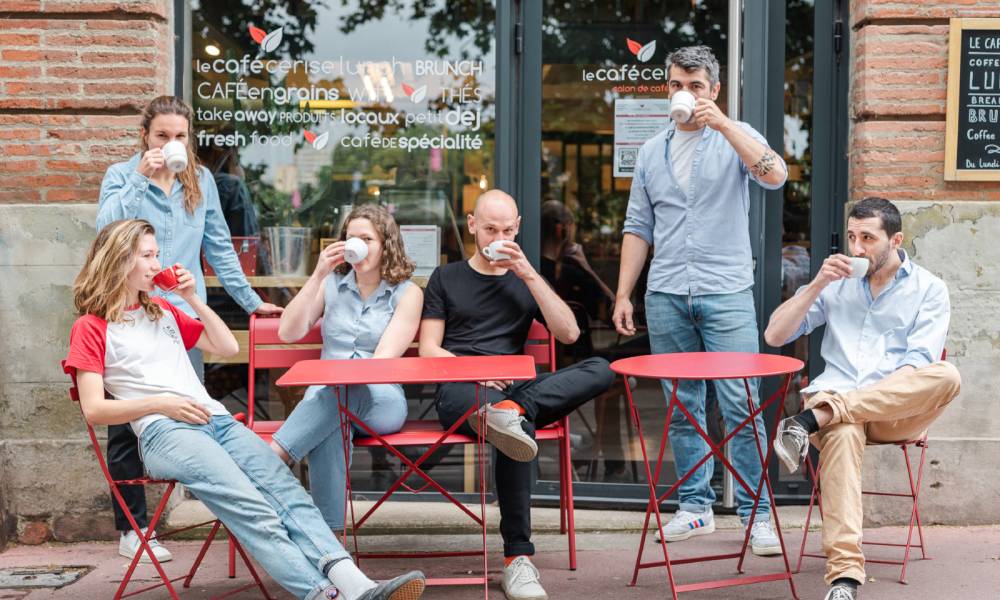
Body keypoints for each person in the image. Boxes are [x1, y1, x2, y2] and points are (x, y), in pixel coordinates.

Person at [64, 219, 425, 600]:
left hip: (216, 420)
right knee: (250, 504)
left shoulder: (162, 312)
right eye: (147, 256)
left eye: (157, 255)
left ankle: (357, 585)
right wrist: (162, 403)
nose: (156, 264)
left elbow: (226, 348)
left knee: (287, 490)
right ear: (119, 259)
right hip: (164, 431)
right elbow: (94, 409)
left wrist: (192, 298)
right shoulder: (92, 327)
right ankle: (323, 595)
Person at [612, 45, 788, 555]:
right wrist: (625, 292)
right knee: (681, 404)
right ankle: (694, 507)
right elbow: (637, 227)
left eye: (694, 85)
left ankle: (757, 515)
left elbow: (775, 176)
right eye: (674, 85)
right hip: (666, 292)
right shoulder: (651, 151)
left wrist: (725, 125)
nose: (682, 94)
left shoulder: (737, 136)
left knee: (741, 402)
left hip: (726, 290)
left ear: (712, 89)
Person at [97, 95, 283, 563]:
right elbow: (104, 233)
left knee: (190, 416)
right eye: (162, 135)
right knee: (127, 424)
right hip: (127, 314)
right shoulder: (123, 176)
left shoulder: (199, 181)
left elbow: (220, 248)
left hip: (181, 319)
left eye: (180, 136)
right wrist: (142, 180)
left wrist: (253, 301)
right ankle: (135, 529)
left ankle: (223, 506)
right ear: (145, 136)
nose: (171, 144)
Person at [419, 190, 615, 600]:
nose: (499, 237)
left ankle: (509, 412)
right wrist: (475, 370)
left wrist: (528, 274)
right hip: (461, 389)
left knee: (600, 369)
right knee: (514, 430)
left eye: (508, 229)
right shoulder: (446, 277)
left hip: (512, 390)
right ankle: (518, 561)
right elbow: (429, 349)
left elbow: (570, 333)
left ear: (519, 227)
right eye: (491, 228)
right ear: (472, 224)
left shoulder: (528, 276)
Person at [764, 197, 961, 600]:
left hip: (894, 410)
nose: (856, 248)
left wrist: (827, 411)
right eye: (852, 237)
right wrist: (818, 284)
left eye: (868, 238)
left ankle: (811, 421)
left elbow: (915, 368)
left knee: (947, 374)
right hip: (835, 406)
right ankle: (844, 578)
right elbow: (775, 336)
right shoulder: (834, 284)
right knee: (843, 428)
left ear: (896, 239)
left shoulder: (929, 289)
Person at [268, 205, 423, 529]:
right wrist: (318, 274)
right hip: (329, 401)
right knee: (332, 426)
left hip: (381, 399)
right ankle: (331, 541)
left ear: (386, 244)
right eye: (351, 238)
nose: (358, 244)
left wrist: (337, 379)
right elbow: (288, 332)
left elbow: (381, 364)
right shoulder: (331, 285)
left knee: (338, 394)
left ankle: (271, 459)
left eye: (366, 238)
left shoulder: (408, 294)